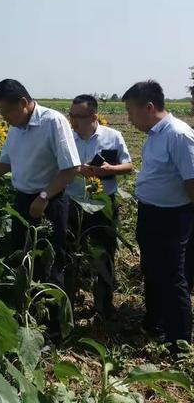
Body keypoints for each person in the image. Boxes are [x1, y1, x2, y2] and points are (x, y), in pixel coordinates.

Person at [0, 79, 81, 284]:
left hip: (49, 202)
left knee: (49, 261)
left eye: (6, 112)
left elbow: (71, 168)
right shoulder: (16, 127)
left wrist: (43, 196)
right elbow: (6, 162)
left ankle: (54, 314)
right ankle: (27, 310)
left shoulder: (52, 122)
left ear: (23, 102)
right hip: (22, 201)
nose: (5, 118)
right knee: (23, 259)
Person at [122, 80, 194, 347]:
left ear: (149, 107)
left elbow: (191, 181)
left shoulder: (178, 134)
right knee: (152, 269)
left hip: (172, 217)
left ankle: (179, 340)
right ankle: (154, 323)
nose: (129, 118)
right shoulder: (155, 134)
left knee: (172, 275)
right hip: (151, 213)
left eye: (131, 111)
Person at [66, 94, 132, 317]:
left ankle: (104, 305)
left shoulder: (113, 136)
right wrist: (77, 170)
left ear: (94, 116)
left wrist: (108, 170)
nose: (73, 121)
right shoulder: (66, 137)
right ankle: (71, 301)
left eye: (78, 116)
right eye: (71, 115)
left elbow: (128, 165)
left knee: (104, 254)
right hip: (73, 202)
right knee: (69, 252)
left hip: (103, 203)